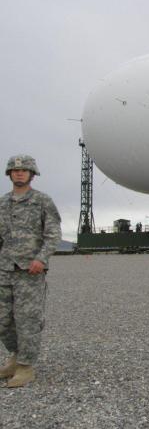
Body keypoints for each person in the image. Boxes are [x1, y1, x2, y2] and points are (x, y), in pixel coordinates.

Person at [0, 155, 62, 387]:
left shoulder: (42, 201)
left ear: (31, 174)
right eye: (15, 170)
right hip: (5, 269)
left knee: (27, 319)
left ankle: (25, 367)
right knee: (3, 320)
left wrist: (41, 258)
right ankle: (15, 357)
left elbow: (53, 234)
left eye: (24, 170)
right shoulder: (2, 203)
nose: (19, 173)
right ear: (9, 174)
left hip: (30, 271)